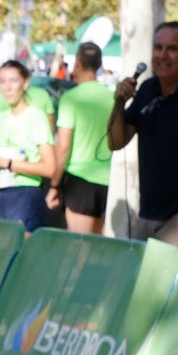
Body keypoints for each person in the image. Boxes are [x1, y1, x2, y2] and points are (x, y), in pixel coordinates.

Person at [108, 22, 178, 256]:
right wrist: (118, 103)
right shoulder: (148, 90)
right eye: (158, 48)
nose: (163, 55)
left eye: (172, 49)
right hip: (148, 214)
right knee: (147, 290)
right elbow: (116, 142)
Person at [0, 60, 56, 232]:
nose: (7, 87)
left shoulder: (37, 117)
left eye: (13, 81)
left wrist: (8, 163)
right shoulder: (0, 120)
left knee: (20, 253)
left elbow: (50, 168)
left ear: (25, 83)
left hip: (27, 194)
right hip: (2, 192)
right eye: (2, 81)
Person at [47, 42, 115, 234]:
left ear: (77, 62)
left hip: (80, 180)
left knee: (80, 248)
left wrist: (54, 184)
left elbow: (63, 147)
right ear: (99, 64)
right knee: (99, 248)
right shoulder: (112, 97)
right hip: (108, 181)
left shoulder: (71, 98)